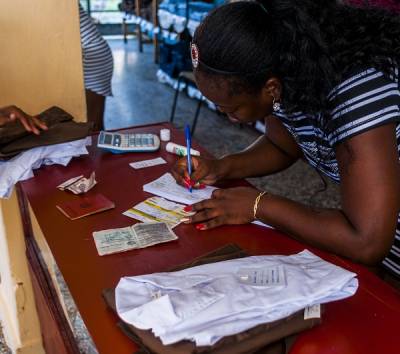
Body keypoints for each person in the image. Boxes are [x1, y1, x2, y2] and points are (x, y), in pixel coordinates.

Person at [171, 0, 400, 281]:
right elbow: (282, 145)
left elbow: (367, 240)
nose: (227, 117)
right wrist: (221, 167)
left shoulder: (355, 95)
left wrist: (257, 205)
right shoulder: (291, 71)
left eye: (231, 108)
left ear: (270, 88)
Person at [79, 4, 114, 131]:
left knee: (93, 125)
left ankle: (101, 150)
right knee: (92, 124)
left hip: (93, 58)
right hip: (92, 54)